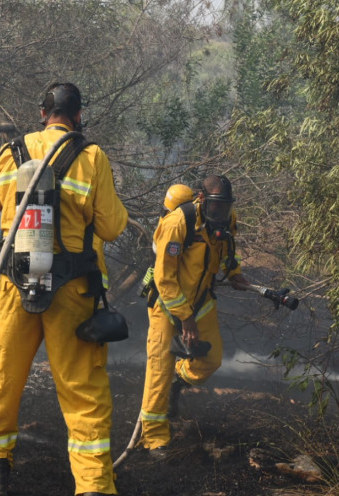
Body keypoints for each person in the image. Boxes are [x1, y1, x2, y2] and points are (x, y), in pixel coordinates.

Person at [0, 82, 128, 496]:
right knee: (83, 391)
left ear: (42, 113)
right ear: (78, 115)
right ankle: (93, 487)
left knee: (5, 378)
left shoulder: (11, 153)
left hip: (16, 286)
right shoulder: (91, 157)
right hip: (73, 291)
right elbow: (111, 226)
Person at [137, 175, 248, 456]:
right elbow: (164, 278)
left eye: (225, 207)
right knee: (158, 371)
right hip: (166, 304)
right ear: (202, 199)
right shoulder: (177, 224)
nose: (220, 214)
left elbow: (225, 251)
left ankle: (180, 379)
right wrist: (184, 317)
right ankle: (154, 437)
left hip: (201, 303)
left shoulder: (227, 218)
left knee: (211, 359)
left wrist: (234, 273)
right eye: (215, 207)